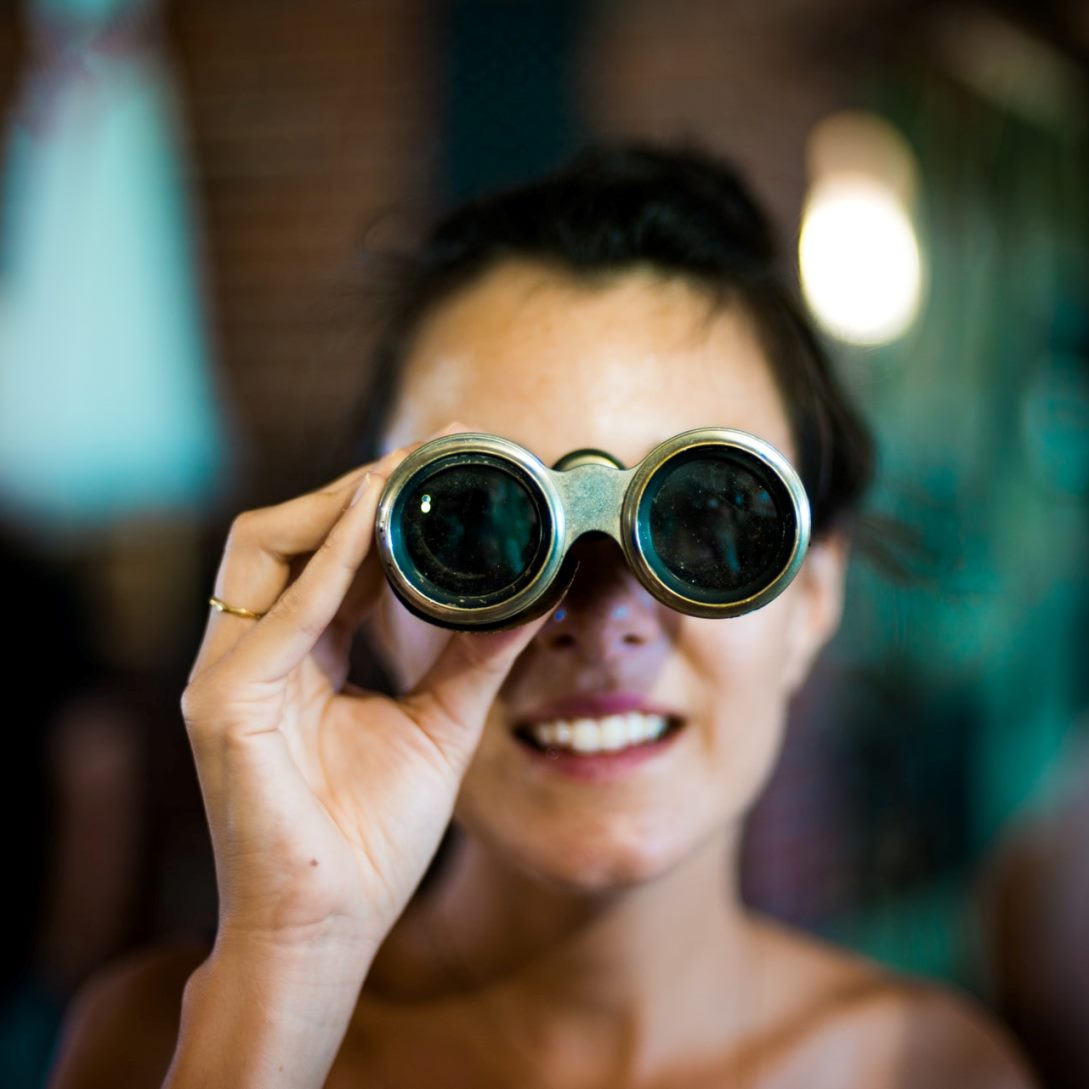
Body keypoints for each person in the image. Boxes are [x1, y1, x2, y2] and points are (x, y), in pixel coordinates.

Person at [47, 142, 1036, 1089]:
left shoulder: (935, 1072)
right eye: (483, 524)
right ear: (374, 594)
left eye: (705, 518)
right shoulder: (171, 1049)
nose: (603, 618)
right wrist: (286, 965)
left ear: (811, 598)